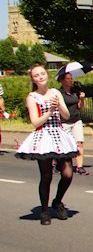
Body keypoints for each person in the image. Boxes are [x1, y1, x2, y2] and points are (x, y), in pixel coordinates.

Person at [15, 64, 79, 224]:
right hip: (43, 136)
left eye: (42, 73)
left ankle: (57, 201)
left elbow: (66, 115)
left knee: (68, 174)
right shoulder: (32, 97)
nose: (40, 77)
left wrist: (58, 106)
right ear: (33, 79)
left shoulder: (55, 92)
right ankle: (44, 211)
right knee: (46, 176)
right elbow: (35, 122)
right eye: (36, 75)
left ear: (47, 75)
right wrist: (49, 111)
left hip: (59, 133)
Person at [58, 71, 88, 175]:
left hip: (76, 120)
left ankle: (80, 167)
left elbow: (80, 107)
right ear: (61, 81)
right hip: (64, 121)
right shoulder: (59, 93)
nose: (70, 80)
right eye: (67, 78)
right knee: (64, 145)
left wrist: (81, 99)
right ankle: (58, 163)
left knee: (79, 143)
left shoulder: (75, 91)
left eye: (71, 78)